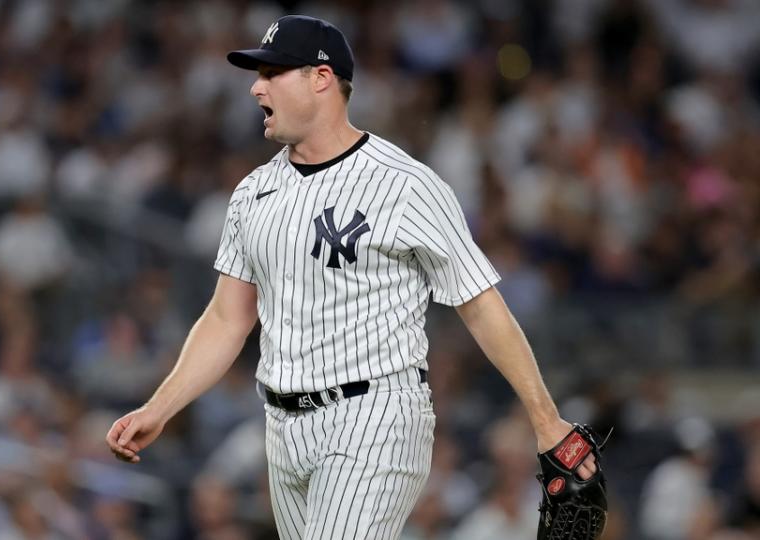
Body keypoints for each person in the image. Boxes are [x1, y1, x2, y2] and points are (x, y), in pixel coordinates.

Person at [106, 14, 596, 539]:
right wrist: (160, 406)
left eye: (272, 73)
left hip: (375, 415)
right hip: (281, 426)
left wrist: (546, 419)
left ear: (320, 78)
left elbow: (480, 304)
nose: (255, 86)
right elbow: (228, 319)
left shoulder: (404, 184)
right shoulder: (252, 194)